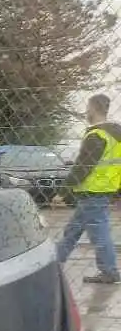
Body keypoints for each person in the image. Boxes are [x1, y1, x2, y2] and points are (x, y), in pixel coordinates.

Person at [56, 94, 121, 284]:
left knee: (98, 233)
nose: (86, 111)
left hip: (93, 190)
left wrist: (62, 192)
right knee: (73, 230)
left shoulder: (97, 135)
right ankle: (54, 263)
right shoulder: (115, 134)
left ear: (93, 108)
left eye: (87, 107)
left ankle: (109, 271)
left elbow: (82, 167)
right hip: (103, 190)